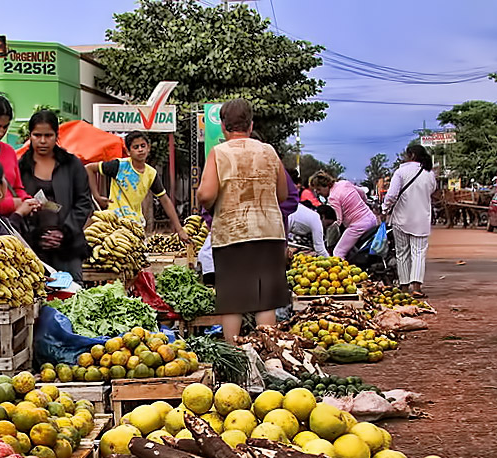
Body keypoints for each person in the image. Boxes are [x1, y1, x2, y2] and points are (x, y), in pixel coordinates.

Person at [196, 98, 289, 343]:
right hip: (270, 231)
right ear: (250, 125)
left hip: (232, 234)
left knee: (233, 298)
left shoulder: (219, 153)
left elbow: (206, 194)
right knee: (265, 298)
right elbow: (282, 194)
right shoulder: (269, 151)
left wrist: (206, 201)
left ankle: (235, 353)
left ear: (224, 127)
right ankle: (269, 352)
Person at [17, 110, 93, 282]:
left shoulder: (72, 164)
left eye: (48, 135)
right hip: (33, 249)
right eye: (37, 135)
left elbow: (83, 202)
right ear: (30, 136)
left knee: (73, 297)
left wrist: (64, 232)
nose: (42, 141)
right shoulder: (21, 167)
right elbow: (15, 204)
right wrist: (36, 237)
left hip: (69, 248)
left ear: (57, 136)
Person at [85, 131, 189, 241]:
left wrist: (180, 230)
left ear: (148, 148)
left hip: (135, 224)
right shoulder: (119, 166)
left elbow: (165, 200)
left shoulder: (151, 174)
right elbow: (89, 168)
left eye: (143, 146)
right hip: (114, 221)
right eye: (136, 147)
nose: (140, 149)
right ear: (128, 151)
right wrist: (97, 196)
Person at [383, 143, 437, 297]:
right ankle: (417, 288)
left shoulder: (400, 172)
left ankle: (404, 288)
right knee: (418, 253)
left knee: (402, 253)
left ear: (411, 155)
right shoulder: (429, 174)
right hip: (421, 219)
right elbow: (432, 190)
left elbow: (392, 195)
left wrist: (385, 209)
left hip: (401, 219)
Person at [308, 171, 378, 259]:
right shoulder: (344, 183)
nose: (317, 192)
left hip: (358, 225)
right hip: (371, 218)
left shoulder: (333, 197)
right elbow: (362, 193)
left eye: (319, 189)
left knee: (338, 252)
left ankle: (344, 272)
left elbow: (338, 220)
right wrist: (362, 205)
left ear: (326, 186)